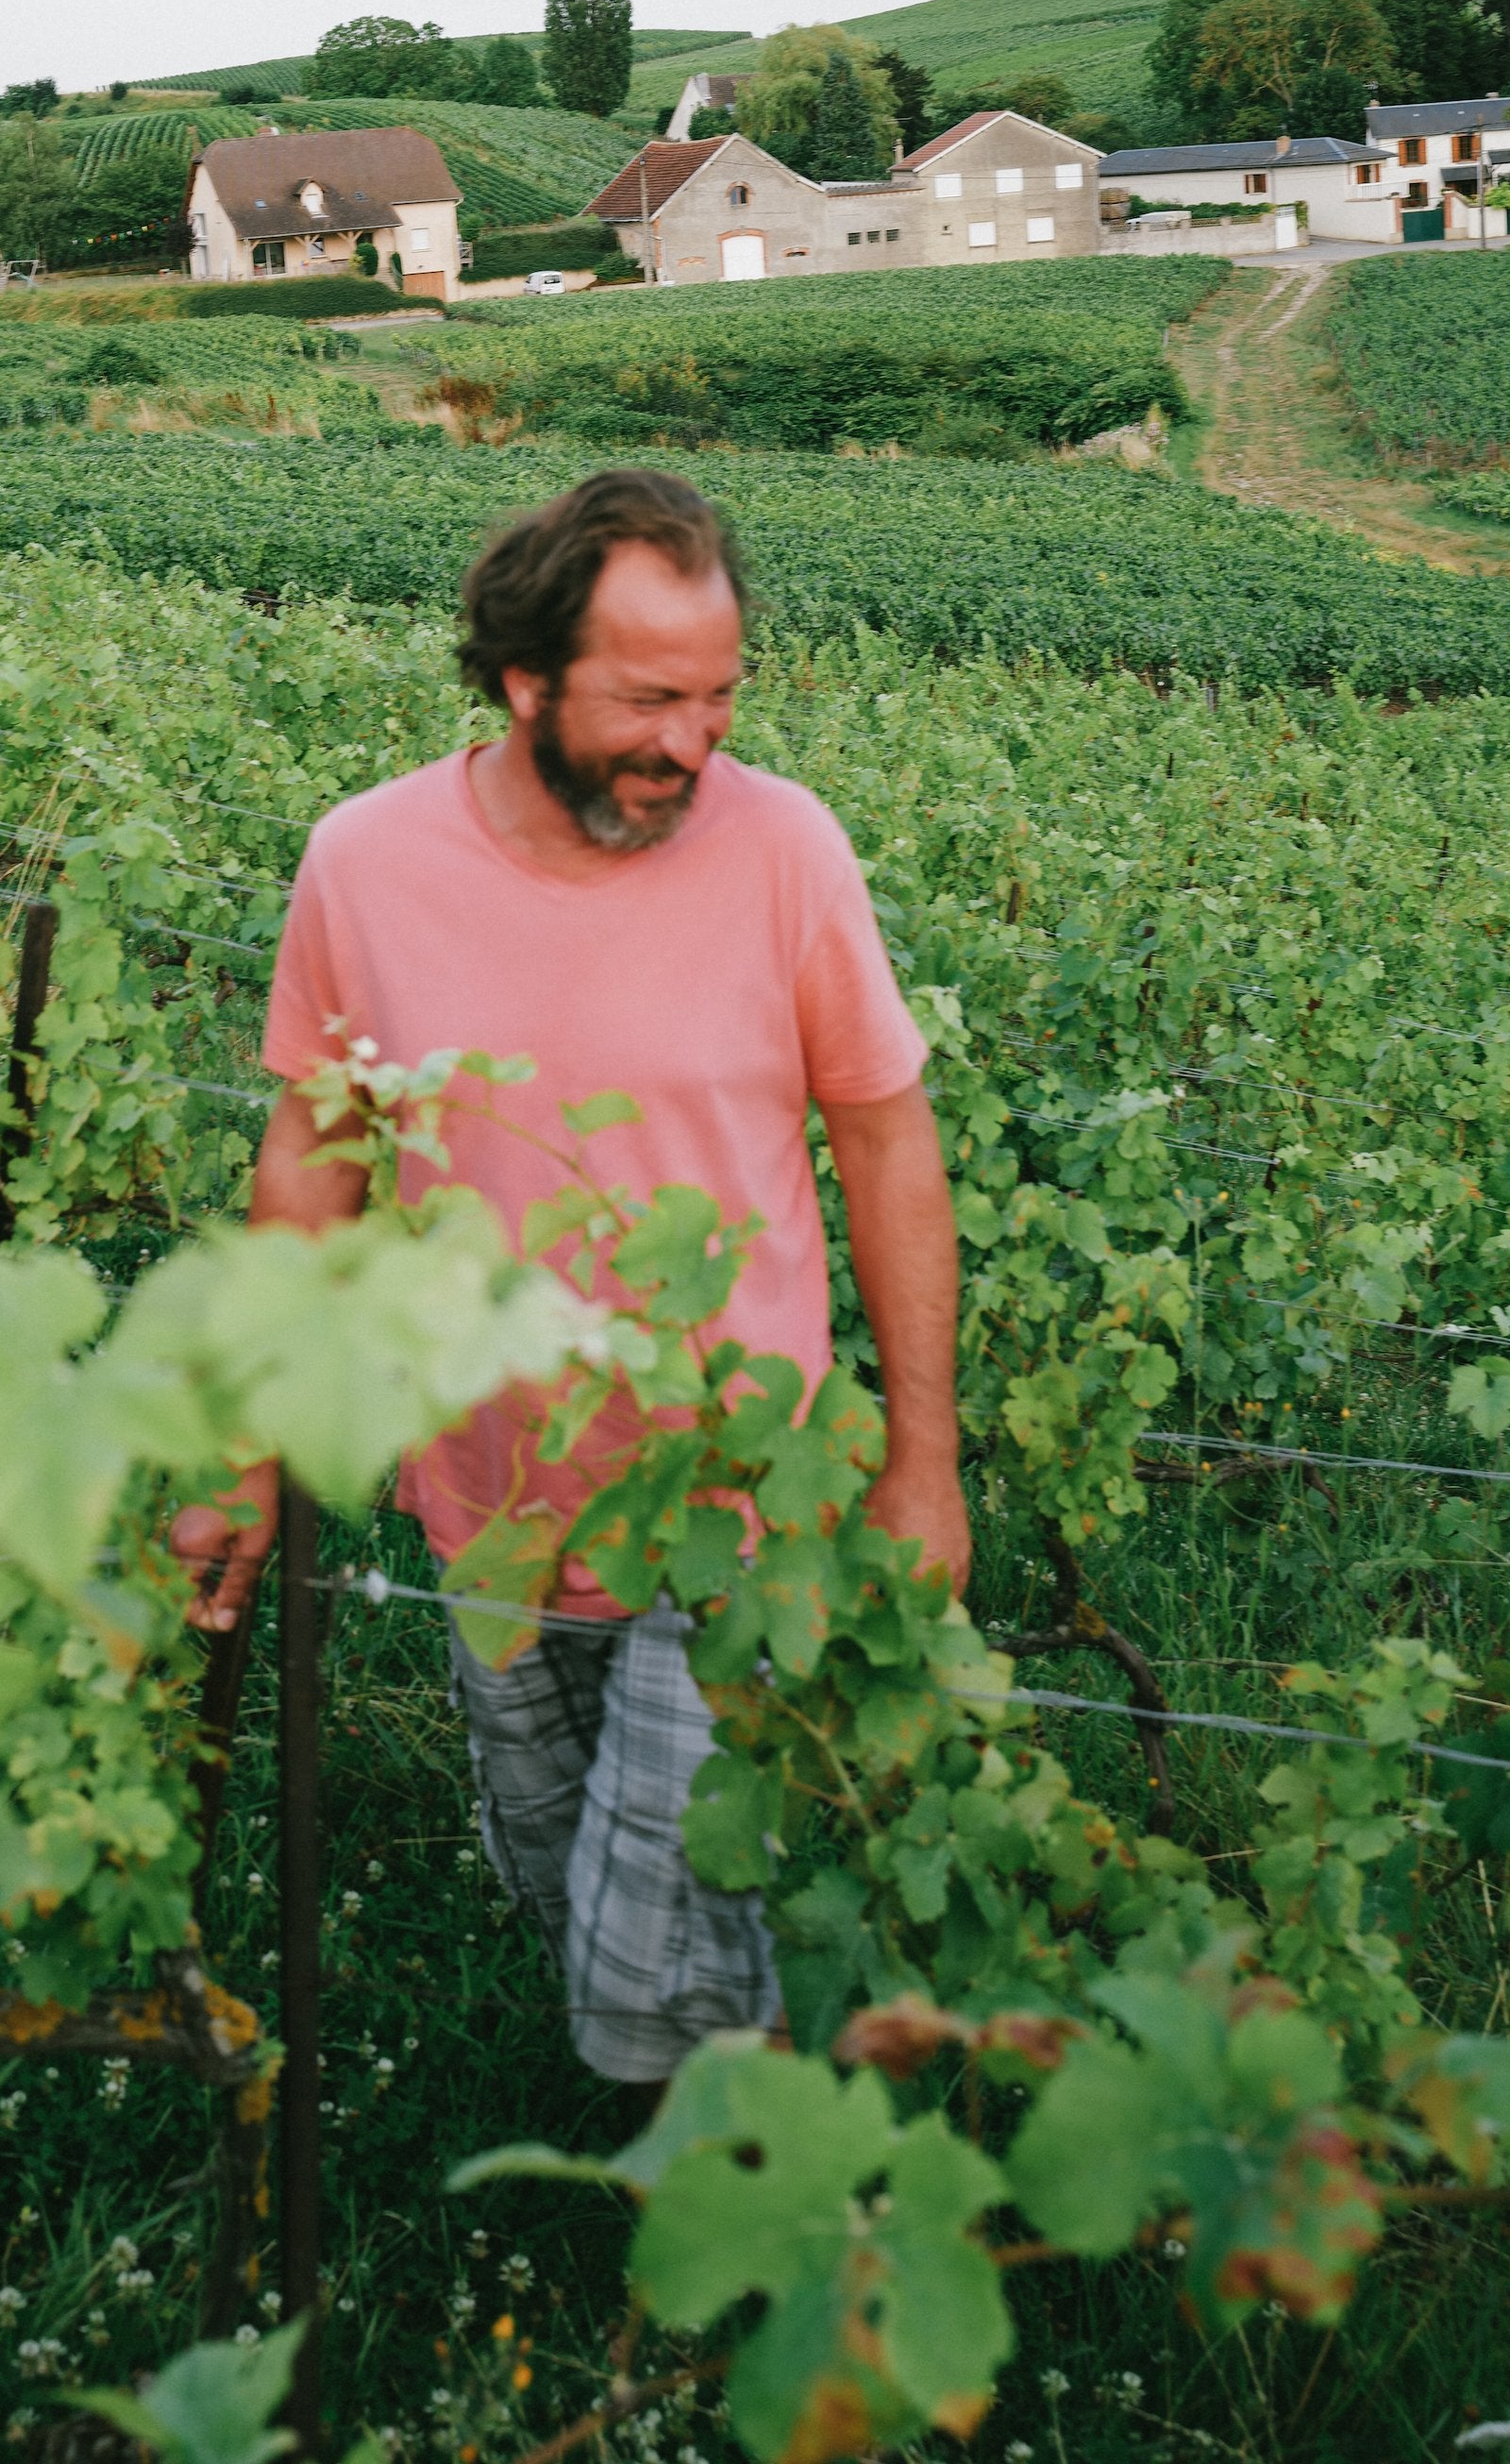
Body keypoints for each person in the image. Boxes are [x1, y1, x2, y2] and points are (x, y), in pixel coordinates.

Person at [172, 465, 968, 2087]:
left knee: (639, 1974)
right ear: (526, 681)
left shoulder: (784, 853)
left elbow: (888, 1143)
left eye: (720, 696)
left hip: (735, 1495)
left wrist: (921, 1465)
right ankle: (720, 2148)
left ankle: (729, 2249)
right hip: (499, 1501)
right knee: (566, 1888)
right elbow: (311, 1162)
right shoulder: (366, 862)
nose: (695, 743)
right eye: (650, 698)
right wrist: (246, 1452)